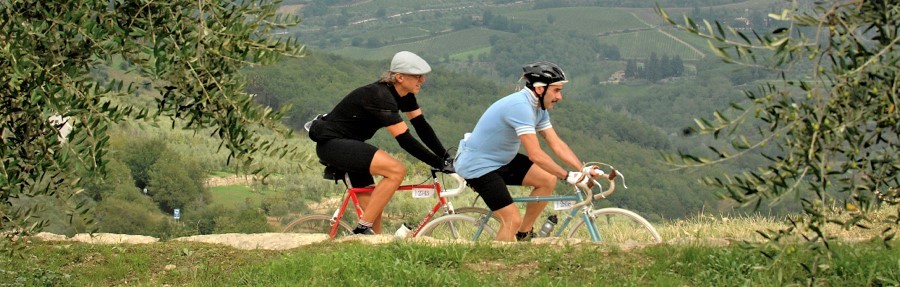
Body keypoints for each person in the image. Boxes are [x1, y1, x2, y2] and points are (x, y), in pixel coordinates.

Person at [307, 51, 452, 235]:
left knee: (375, 208)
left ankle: (369, 239)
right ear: (399, 77)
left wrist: (446, 157)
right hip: (333, 144)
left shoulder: (405, 95)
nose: (422, 80)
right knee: (396, 170)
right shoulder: (380, 96)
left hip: (348, 144)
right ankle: (360, 231)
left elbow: (421, 127)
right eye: (417, 76)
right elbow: (405, 140)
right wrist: (438, 163)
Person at [454, 61, 601, 241]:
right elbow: (536, 155)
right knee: (511, 219)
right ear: (540, 89)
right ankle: (497, 264)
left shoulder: (538, 108)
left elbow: (556, 144)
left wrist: (582, 168)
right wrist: (567, 175)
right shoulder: (520, 107)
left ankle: (523, 234)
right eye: (556, 90)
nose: (560, 97)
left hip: (501, 160)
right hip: (478, 166)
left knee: (547, 179)